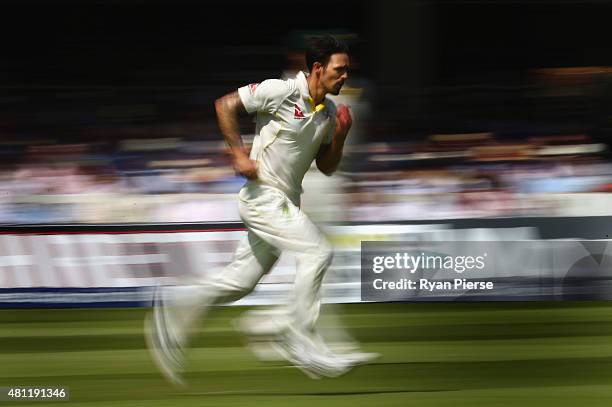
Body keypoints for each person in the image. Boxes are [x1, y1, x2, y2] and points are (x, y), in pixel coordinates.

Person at [145, 35, 369, 386]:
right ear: (317, 68)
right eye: (339, 71)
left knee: (240, 283)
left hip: (284, 203)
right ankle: (300, 337)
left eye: (346, 72)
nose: (345, 77)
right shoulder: (281, 91)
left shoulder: (325, 115)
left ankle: (178, 305)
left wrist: (340, 136)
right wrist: (237, 154)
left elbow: (326, 167)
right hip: (263, 197)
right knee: (318, 252)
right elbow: (225, 105)